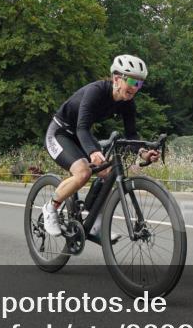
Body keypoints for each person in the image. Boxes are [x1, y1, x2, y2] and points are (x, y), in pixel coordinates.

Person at [42, 54, 160, 243]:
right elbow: (81, 128)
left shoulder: (128, 103)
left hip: (81, 135)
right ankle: (50, 207)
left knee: (108, 173)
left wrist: (143, 153)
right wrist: (93, 152)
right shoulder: (96, 91)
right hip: (60, 133)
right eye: (131, 81)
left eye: (139, 84)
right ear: (116, 78)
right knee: (83, 173)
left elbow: (131, 136)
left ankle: (93, 219)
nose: (135, 88)